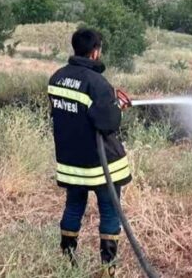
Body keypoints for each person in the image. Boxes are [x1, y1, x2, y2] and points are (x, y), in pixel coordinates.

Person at [48, 27, 132, 276]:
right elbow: (107, 123)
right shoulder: (97, 83)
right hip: (100, 164)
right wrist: (117, 107)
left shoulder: (57, 77)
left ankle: (68, 262)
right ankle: (108, 270)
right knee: (109, 211)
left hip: (71, 162)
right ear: (95, 52)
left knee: (74, 207)